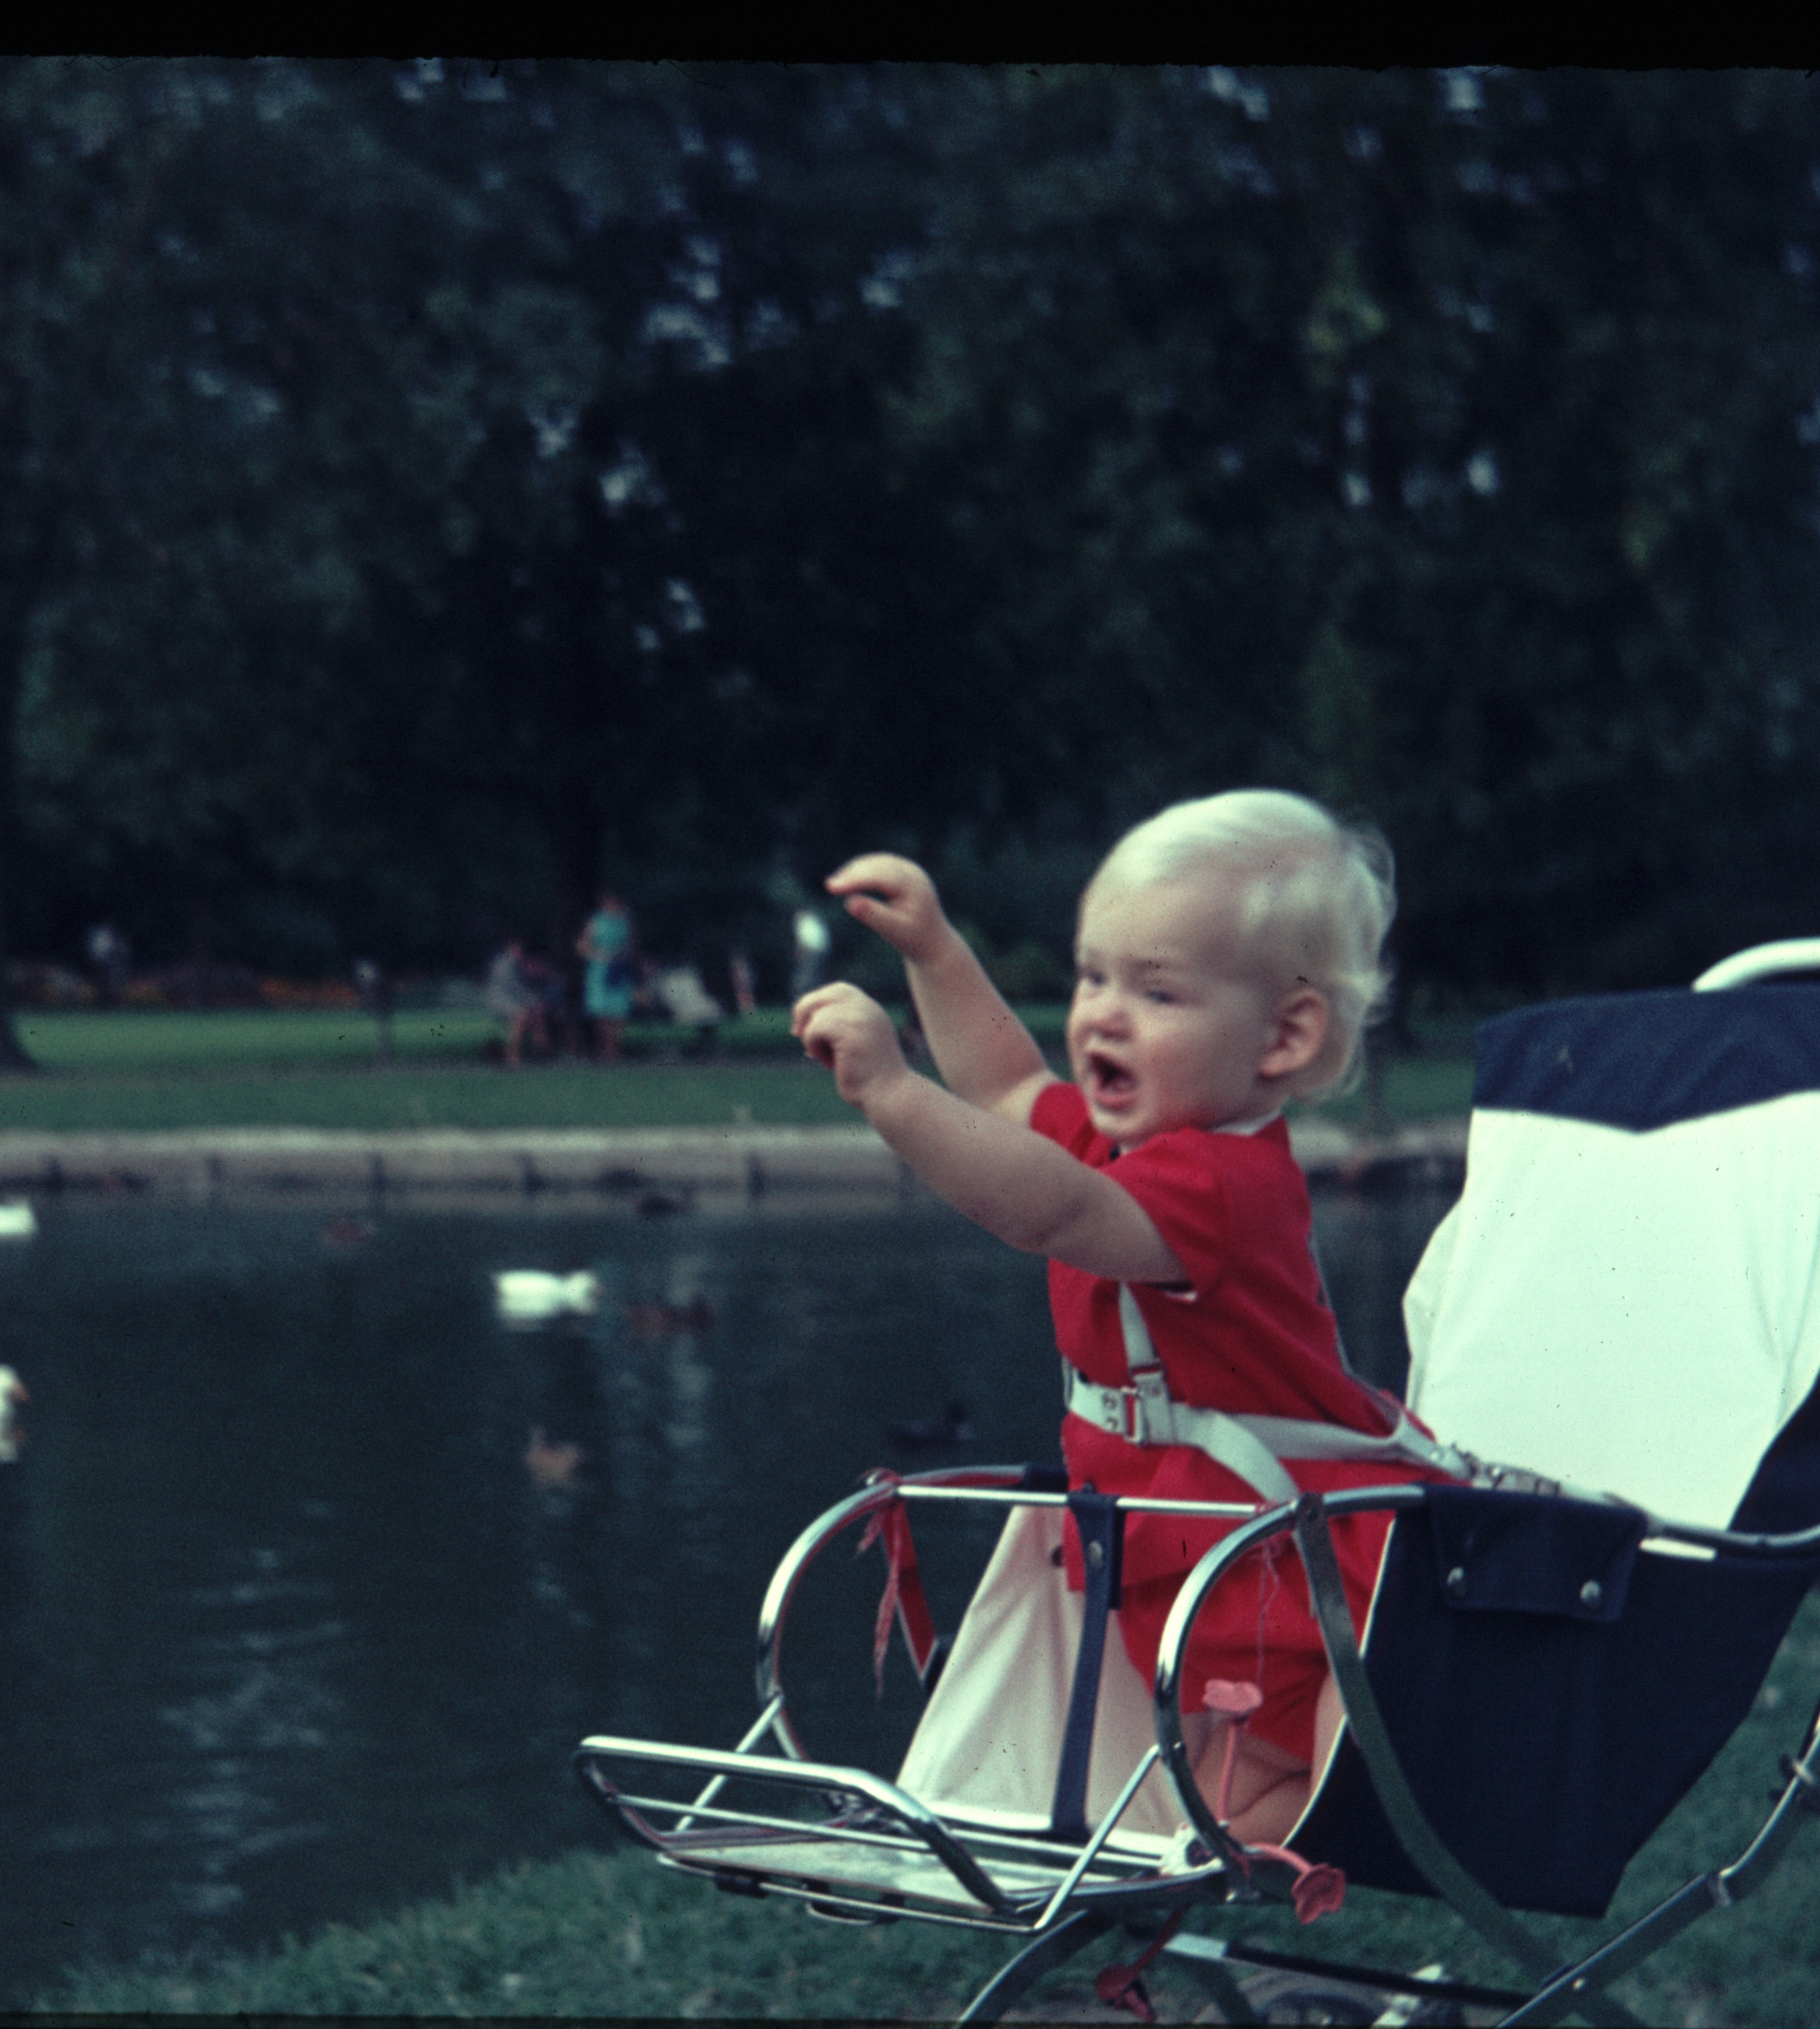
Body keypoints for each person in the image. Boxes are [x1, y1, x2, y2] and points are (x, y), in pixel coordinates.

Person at [791, 791, 1432, 1849]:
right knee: (1219, 1814)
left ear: (1284, 1035)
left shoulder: (1219, 1184)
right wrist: (937, 952)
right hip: (1208, 1566)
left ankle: (1307, 1858)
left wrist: (894, 1095)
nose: (1102, 1014)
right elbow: (1008, 1086)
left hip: (1298, 1577)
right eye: (1093, 976)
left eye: (1157, 989)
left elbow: (1050, 1210)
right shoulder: (1130, 1147)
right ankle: (1251, 1890)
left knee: (1292, 1794)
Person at [576, 891, 636, 1063]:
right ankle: (605, 1050)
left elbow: (632, 945)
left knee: (619, 1010)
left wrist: (623, 956)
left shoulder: (625, 921)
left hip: (620, 969)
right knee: (601, 1011)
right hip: (600, 970)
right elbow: (582, 946)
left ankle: (615, 1049)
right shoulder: (596, 921)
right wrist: (600, 955)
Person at [485, 937, 547, 1068]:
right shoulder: (504, 965)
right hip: (500, 1001)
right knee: (520, 1018)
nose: (520, 952)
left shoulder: (515, 964)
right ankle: (512, 1056)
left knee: (535, 1016)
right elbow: (512, 987)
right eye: (518, 949)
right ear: (511, 948)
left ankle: (541, 1049)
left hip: (511, 1001)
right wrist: (532, 1000)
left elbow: (523, 987)